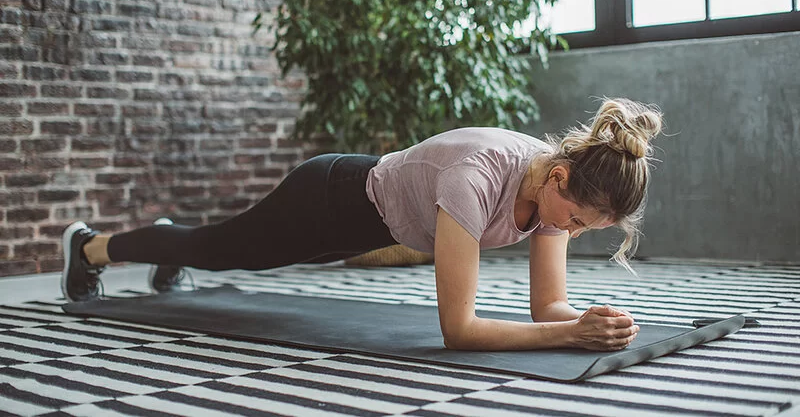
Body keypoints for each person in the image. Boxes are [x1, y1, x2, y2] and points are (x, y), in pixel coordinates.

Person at [61, 97, 662, 352]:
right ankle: (90, 248)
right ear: (559, 179)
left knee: (211, 246)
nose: (572, 232)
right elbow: (458, 330)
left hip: (367, 225)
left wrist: (586, 320)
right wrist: (566, 337)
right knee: (217, 249)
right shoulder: (477, 178)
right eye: (578, 221)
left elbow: (548, 306)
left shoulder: (556, 187)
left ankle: (173, 245)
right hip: (325, 199)